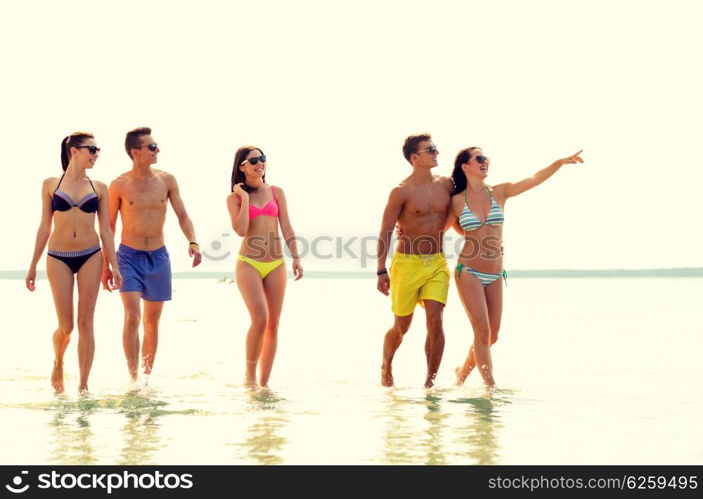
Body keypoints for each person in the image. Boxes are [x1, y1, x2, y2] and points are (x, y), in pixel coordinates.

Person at [448, 147, 584, 387]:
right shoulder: (456, 201)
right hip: (468, 271)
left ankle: (461, 374)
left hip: (495, 273)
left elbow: (534, 179)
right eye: (479, 158)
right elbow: (437, 227)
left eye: (486, 158)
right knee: (481, 329)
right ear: (465, 167)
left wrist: (559, 162)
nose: (485, 161)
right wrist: (404, 231)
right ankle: (490, 388)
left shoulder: (500, 192)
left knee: (492, 334)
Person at [101, 127, 202, 383]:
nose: (157, 150)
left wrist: (193, 241)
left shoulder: (167, 180)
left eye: (156, 146)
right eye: (152, 147)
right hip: (128, 257)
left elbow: (182, 215)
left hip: (158, 257)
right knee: (132, 316)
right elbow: (109, 227)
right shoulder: (119, 184)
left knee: (152, 323)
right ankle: (133, 379)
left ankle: (146, 379)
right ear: (135, 152)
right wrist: (107, 265)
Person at [26, 132, 122, 394]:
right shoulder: (50, 184)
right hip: (58, 257)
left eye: (97, 150)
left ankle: (83, 385)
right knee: (66, 326)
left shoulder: (99, 187)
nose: (96, 154)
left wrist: (113, 264)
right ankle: (58, 362)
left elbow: (106, 231)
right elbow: (44, 227)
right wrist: (33, 264)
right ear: (74, 150)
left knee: (86, 321)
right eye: (91, 149)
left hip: (91, 254)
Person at [377, 133, 454, 388]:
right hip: (406, 264)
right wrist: (380, 270)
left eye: (435, 148)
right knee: (402, 326)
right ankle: (386, 365)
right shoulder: (401, 191)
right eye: (430, 149)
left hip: (436, 262)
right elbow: (386, 230)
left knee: (436, 319)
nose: (436, 153)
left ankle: (429, 384)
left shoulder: (446, 184)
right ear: (415, 157)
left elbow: (463, 209)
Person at [227, 146, 303, 388]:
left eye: (262, 159)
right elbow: (240, 230)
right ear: (242, 167)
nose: (260, 164)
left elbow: (287, 227)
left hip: (276, 263)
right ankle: (249, 379)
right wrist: (245, 199)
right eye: (254, 161)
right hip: (248, 263)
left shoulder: (276, 192)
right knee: (260, 318)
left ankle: (264, 384)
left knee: (273, 324)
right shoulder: (234, 198)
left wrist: (296, 257)